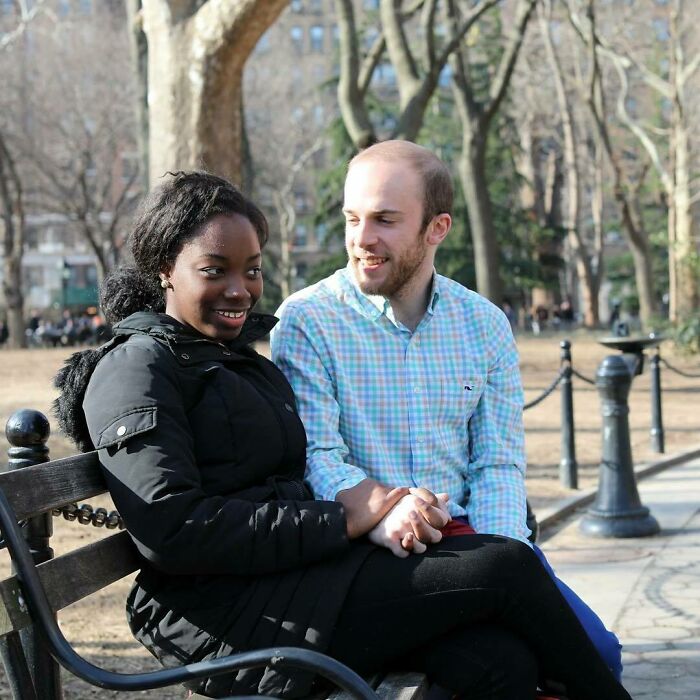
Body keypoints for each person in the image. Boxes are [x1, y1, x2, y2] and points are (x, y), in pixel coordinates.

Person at [54, 171, 631, 700]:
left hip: (297, 581)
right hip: (225, 613)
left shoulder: (227, 358)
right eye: (214, 270)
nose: (240, 289)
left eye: (252, 269)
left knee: (499, 659)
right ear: (163, 270)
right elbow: (175, 532)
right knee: (503, 567)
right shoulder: (137, 368)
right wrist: (351, 517)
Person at [271, 141, 623, 690]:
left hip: (477, 542)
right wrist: (384, 513)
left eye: (385, 220)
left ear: (437, 229)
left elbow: (497, 465)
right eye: (353, 219)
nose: (363, 239)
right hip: (374, 554)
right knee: (517, 665)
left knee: (600, 653)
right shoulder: (308, 320)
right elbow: (317, 457)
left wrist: (504, 553)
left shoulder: (484, 324)